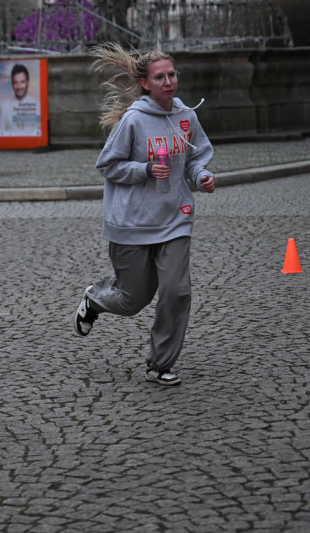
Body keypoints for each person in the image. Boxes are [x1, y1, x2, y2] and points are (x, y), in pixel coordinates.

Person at [73, 43, 215, 386]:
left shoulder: (187, 117)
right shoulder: (134, 120)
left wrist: (201, 176)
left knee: (177, 291)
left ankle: (160, 363)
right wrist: (146, 169)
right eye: (160, 77)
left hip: (175, 217)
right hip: (132, 222)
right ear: (146, 84)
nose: (169, 81)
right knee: (132, 298)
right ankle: (95, 299)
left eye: (172, 74)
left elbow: (196, 158)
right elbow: (107, 165)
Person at [0, 63, 41, 136]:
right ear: (12, 84)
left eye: (22, 82)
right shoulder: (4, 107)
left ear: (27, 83)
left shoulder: (38, 106)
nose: (19, 87)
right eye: (15, 82)